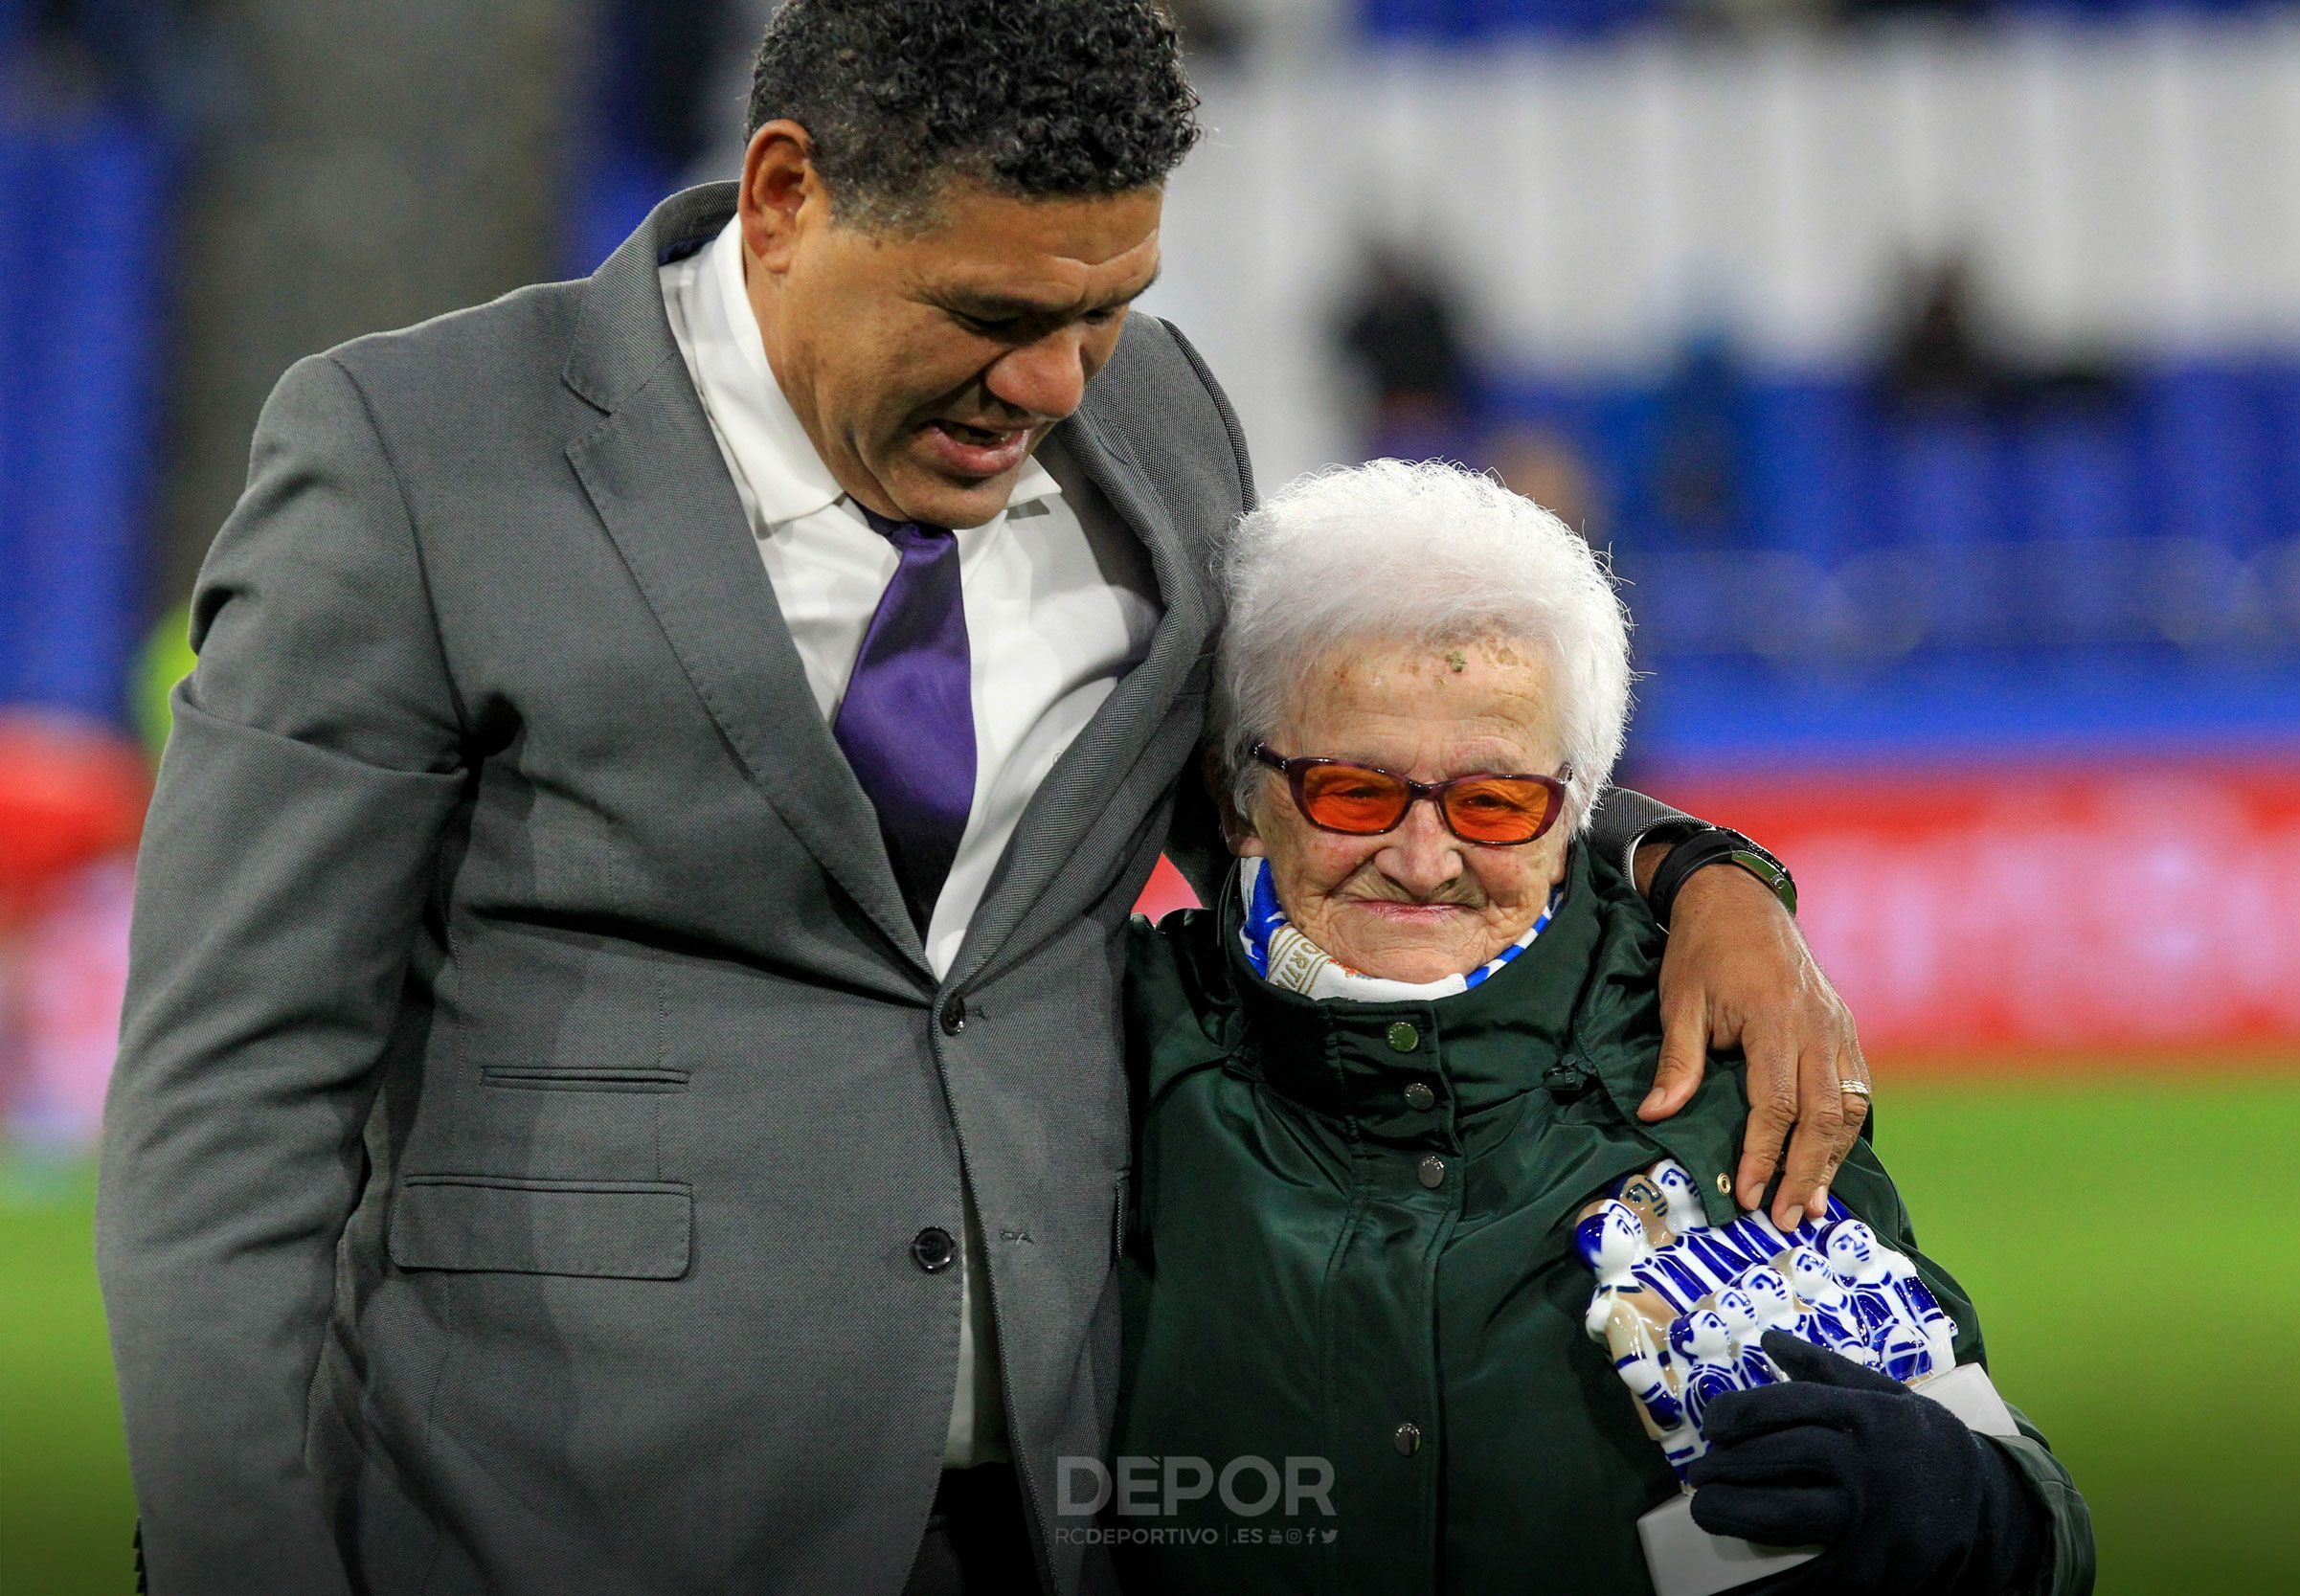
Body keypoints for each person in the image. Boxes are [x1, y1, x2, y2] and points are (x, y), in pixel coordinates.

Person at [97, 5, 1872, 1592]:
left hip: (1067, 1502)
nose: (1052, 384)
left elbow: (1326, 783)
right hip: (563, 1509)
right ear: (784, 197)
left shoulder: (1155, 422)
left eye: (1108, 311)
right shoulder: (418, 455)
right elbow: (234, 1083)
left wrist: (1692, 865)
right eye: (996, 316)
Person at [1115, 461, 2094, 1594]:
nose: (1425, 859)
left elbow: (2033, 1529)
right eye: (1353, 791)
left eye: (1493, 802)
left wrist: (1974, 1508)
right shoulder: (1107, 1041)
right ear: (1237, 793)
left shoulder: (1728, 1058)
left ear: (1573, 809)